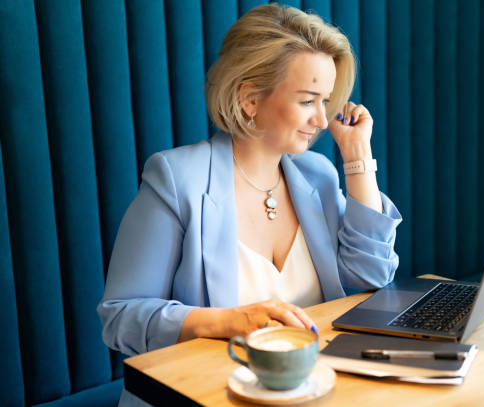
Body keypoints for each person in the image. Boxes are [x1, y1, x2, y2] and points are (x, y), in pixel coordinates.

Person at [98, 3, 401, 405]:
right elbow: (120, 316)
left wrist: (358, 157)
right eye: (308, 101)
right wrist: (227, 321)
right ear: (249, 99)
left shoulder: (318, 175)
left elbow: (372, 275)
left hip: (309, 390)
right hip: (208, 392)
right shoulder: (176, 178)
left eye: (325, 101)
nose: (323, 121)